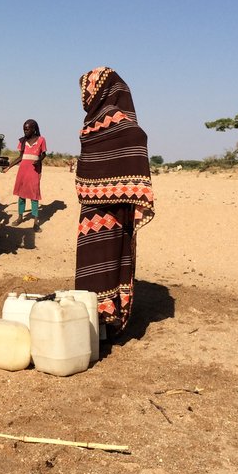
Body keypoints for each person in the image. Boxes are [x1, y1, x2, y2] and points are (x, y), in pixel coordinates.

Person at [75, 67, 154, 339]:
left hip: (95, 212)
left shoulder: (97, 124)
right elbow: (136, 144)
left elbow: (132, 142)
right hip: (117, 209)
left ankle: (93, 322)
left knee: (94, 263)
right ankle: (108, 319)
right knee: (113, 260)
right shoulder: (121, 124)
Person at [1, 119, 46, 230]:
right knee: (21, 195)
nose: (25, 131)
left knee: (34, 196)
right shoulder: (22, 141)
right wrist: (8, 167)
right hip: (23, 171)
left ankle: (36, 222)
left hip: (34, 171)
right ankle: (20, 217)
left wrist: (39, 160)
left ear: (34, 129)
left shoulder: (41, 140)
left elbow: (44, 154)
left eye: (27, 129)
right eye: (24, 129)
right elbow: (20, 157)